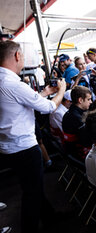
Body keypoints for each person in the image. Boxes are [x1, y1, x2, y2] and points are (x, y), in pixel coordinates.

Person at [0, 40, 66, 232]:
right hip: (24, 147)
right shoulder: (13, 84)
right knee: (32, 193)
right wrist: (61, 91)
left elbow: (22, 101)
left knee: (32, 186)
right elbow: (48, 107)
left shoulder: (7, 82)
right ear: (17, 56)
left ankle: (50, 217)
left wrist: (45, 92)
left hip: (9, 146)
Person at [62, 86, 92, 160]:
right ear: (80, 100)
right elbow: (90, 140)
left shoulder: (71, 112)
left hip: (73, 151)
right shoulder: (77, 118)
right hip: (79, 155)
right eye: (88, 99)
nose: (91, 102)